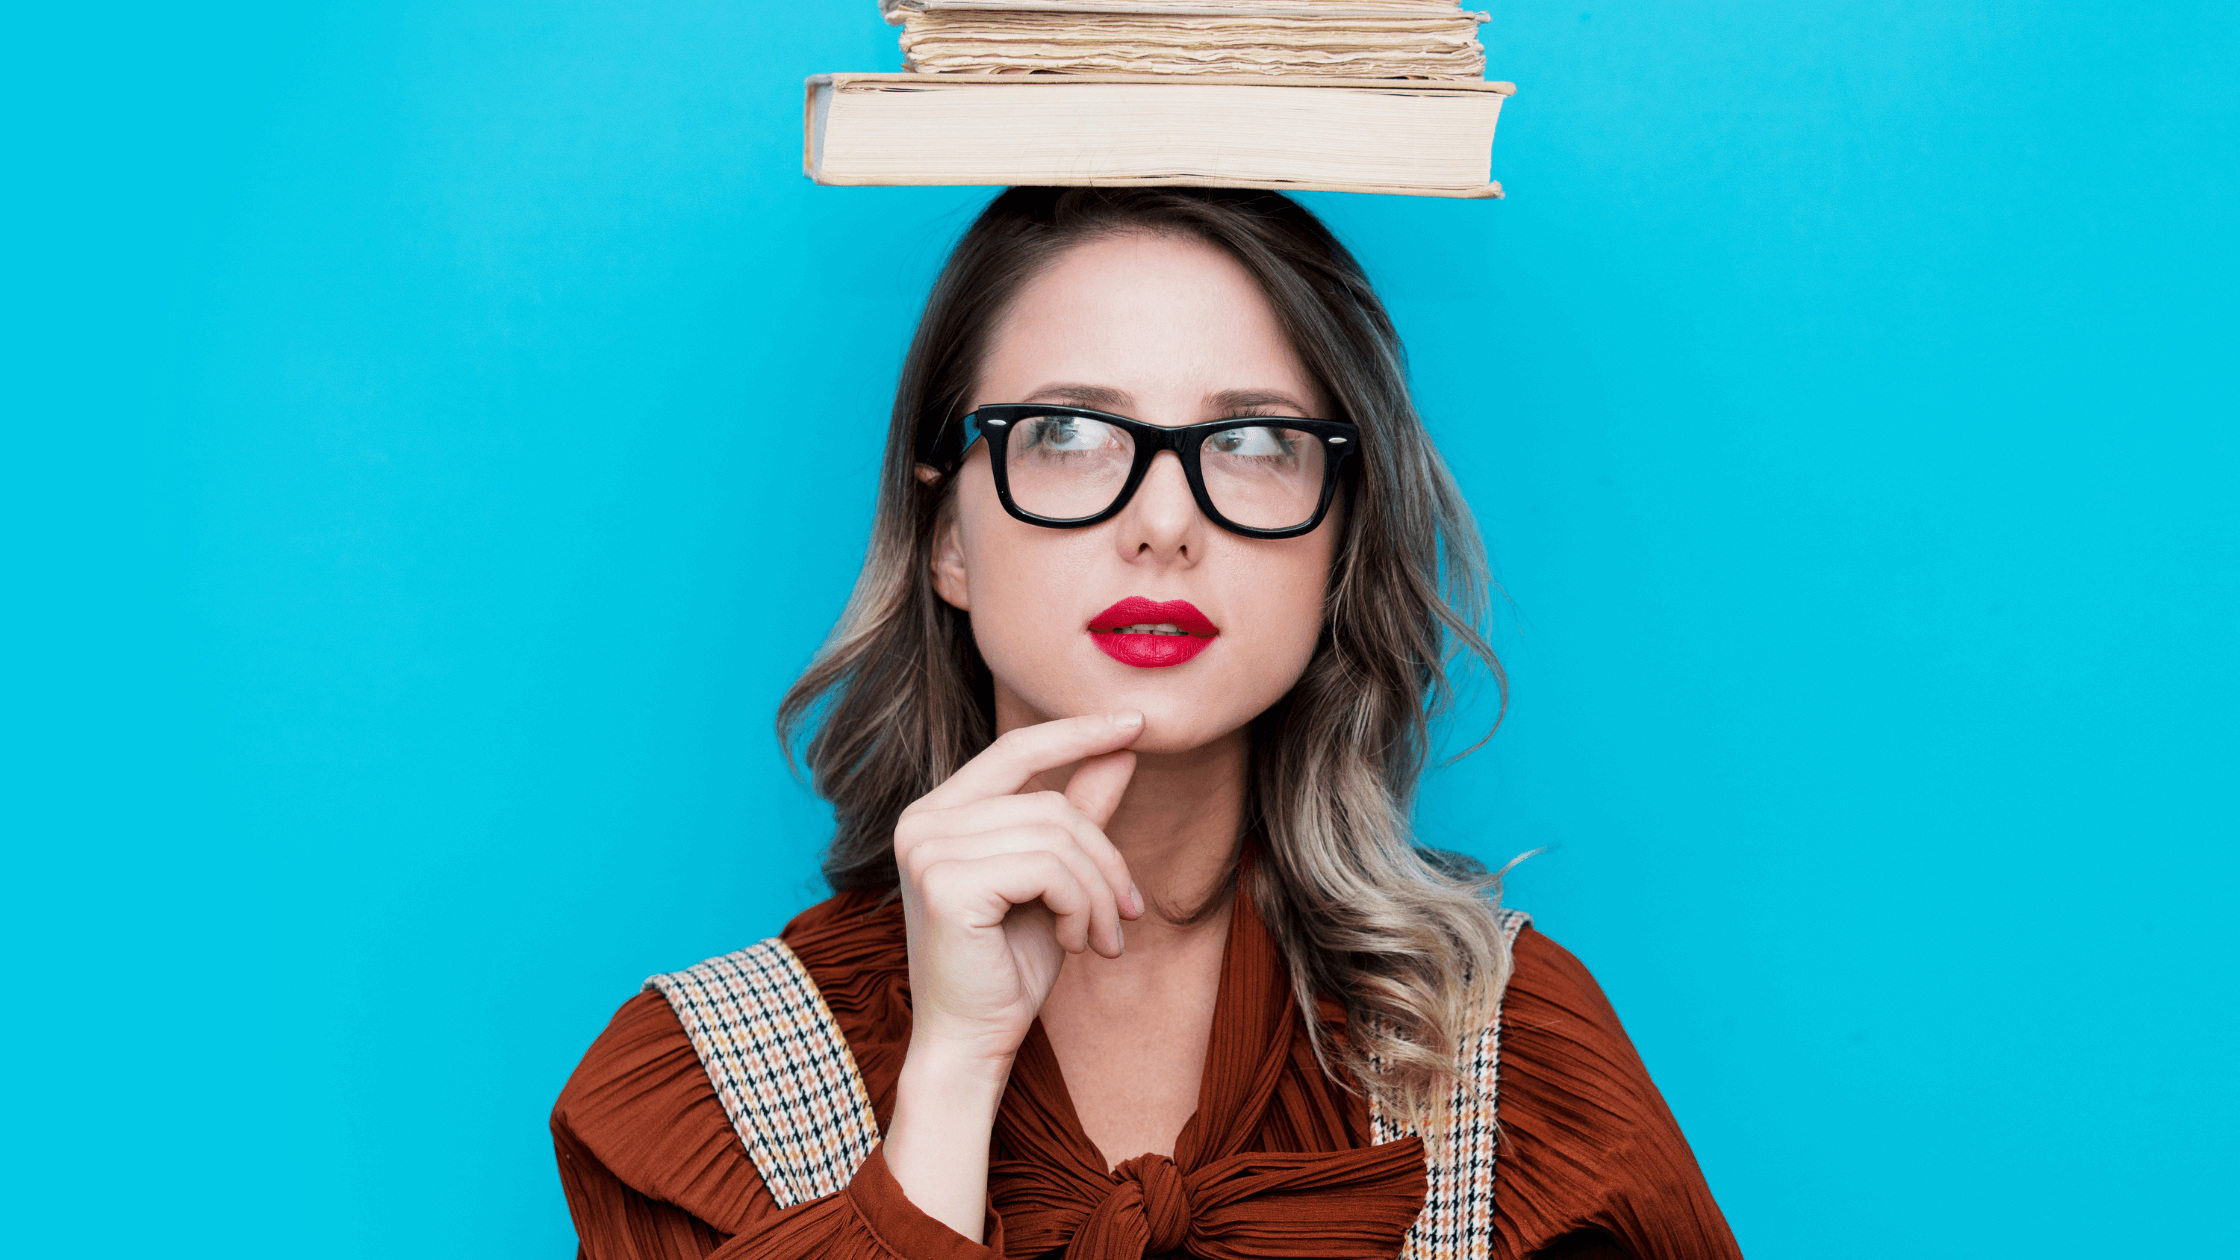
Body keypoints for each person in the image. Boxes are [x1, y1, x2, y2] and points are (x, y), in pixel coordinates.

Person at [551, 187, 1741, 1260]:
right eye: (1065, 434)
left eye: (1255, 441)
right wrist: (953, 1083)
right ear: (945, 538)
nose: (1164, 523)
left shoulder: (1513, 1063)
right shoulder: (706, 1084)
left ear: (1337, 538)